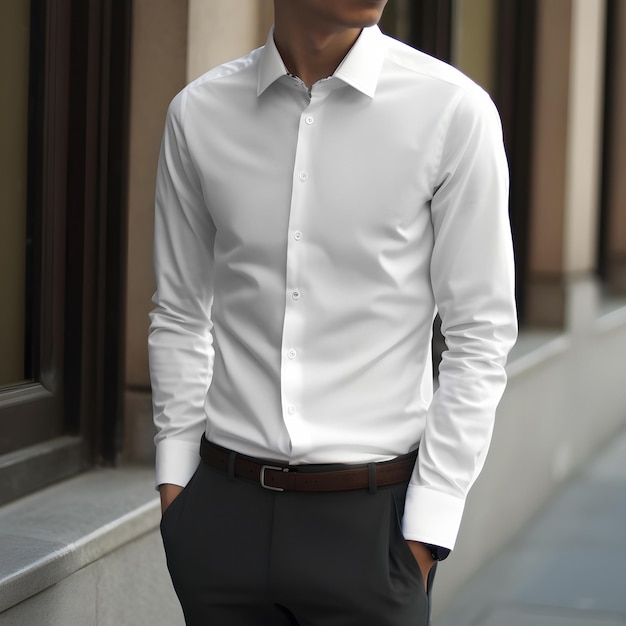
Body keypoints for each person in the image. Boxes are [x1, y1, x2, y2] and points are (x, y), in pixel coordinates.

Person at [149, 1, 517, 624]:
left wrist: (427, 528)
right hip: (222, 520)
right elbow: (181, 312)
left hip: (373, 529)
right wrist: (177, 491)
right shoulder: (200, 114)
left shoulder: (452, 112)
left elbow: (480, 335)